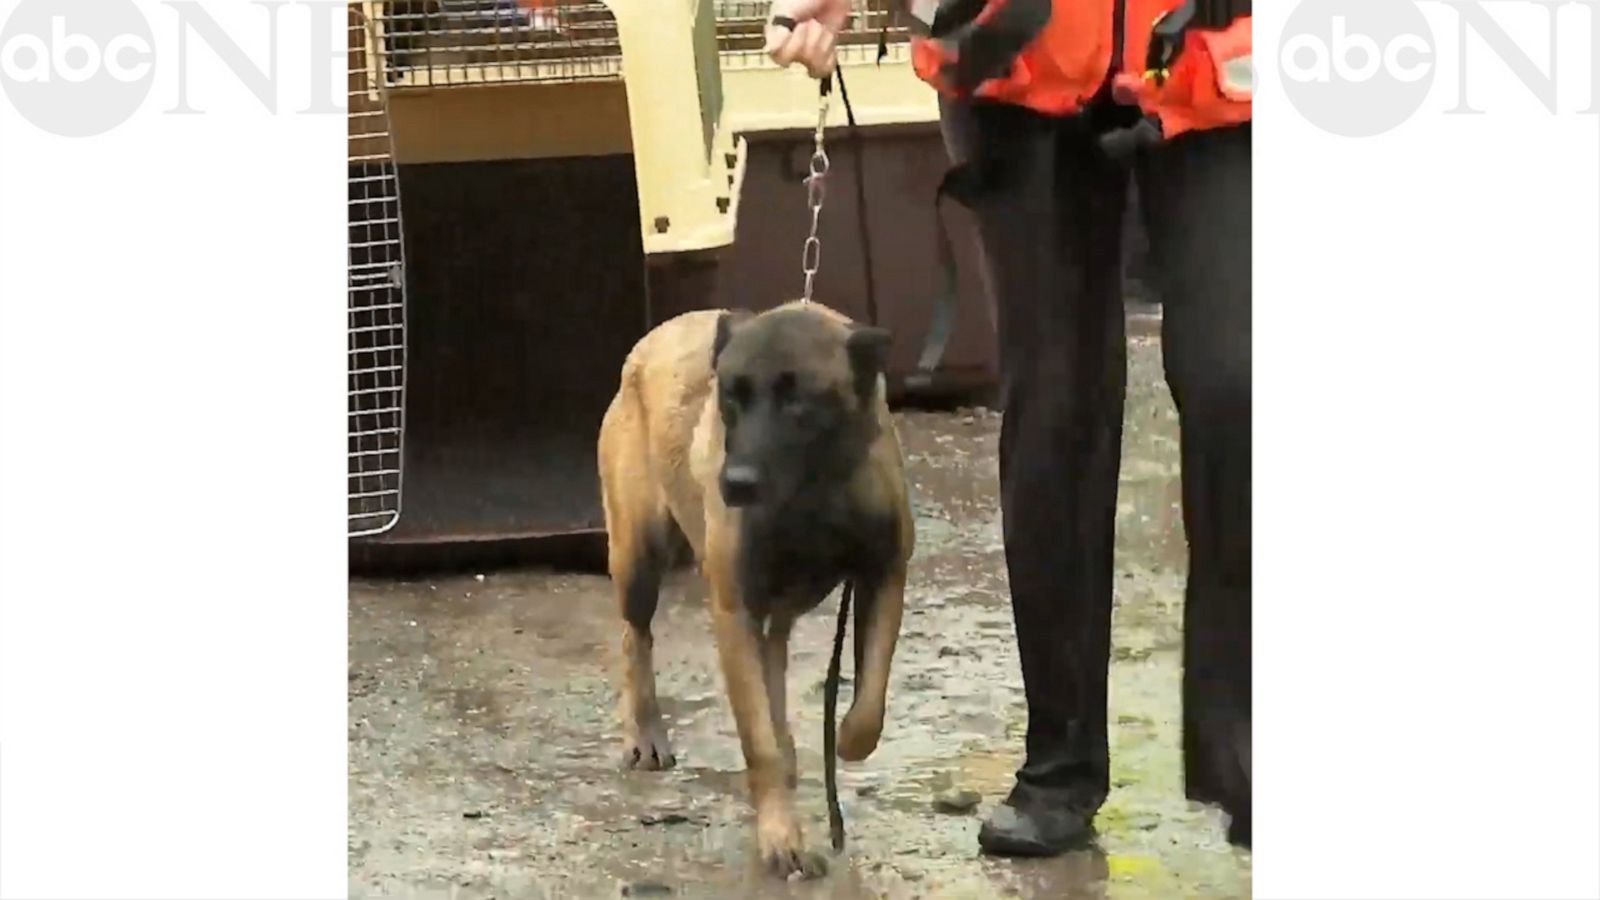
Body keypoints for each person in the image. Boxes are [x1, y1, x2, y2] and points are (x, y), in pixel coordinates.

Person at [765, 0, 1253, 855]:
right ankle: (1059, 763)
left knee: (1240, 385)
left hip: (1222, 52)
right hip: (1013, 49)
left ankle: (1252, 744)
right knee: (1056, 408)